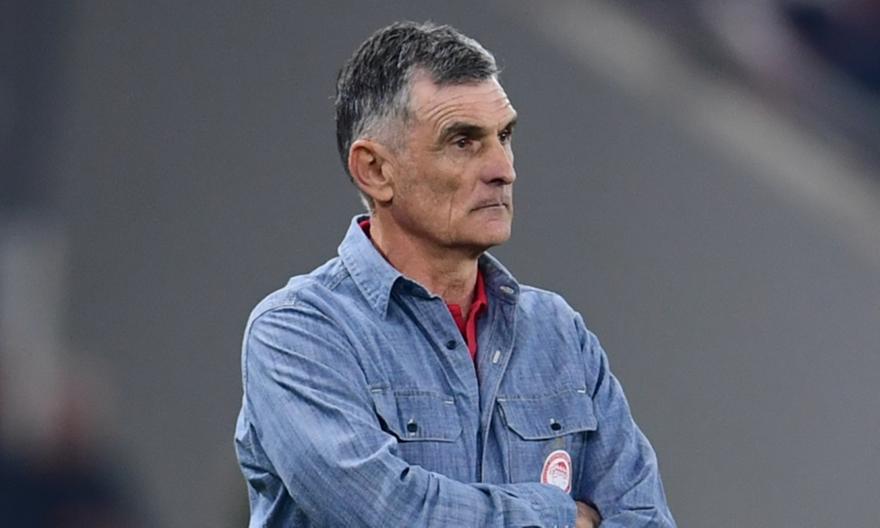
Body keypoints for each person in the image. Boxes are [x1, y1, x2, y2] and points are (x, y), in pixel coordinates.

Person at [235, 21, 676, 527]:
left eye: (504, 136)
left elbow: (645, 517)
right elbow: (394, 514)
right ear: (374, 170)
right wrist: (559, 516)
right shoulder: (299, 334)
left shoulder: (558, 333)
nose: (503, 169)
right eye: (463, 142)